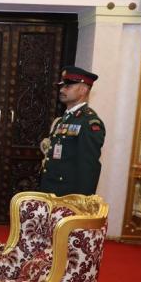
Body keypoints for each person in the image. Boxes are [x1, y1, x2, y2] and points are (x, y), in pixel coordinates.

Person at [38, 66, 105, 196]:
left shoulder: (88, 122)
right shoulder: (63, 119)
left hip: (68, 198)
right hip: (51, 192)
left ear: (83, 89)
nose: (62, 90)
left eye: (68, 86)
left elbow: (89, 169)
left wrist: (80, 205)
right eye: (62, 86)